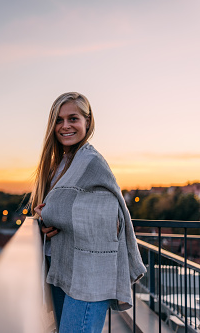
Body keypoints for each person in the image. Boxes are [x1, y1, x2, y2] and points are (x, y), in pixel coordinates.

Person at [30, 92, 146, 333]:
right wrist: (42, 217)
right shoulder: (61, 165)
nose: (65, 126)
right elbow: (60, 208)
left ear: (87, 122)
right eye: (59, 121)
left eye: (73, 118)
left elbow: (109, 215)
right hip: (61, 264)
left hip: (90, 270)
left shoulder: (91, 162)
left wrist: (49, 212)